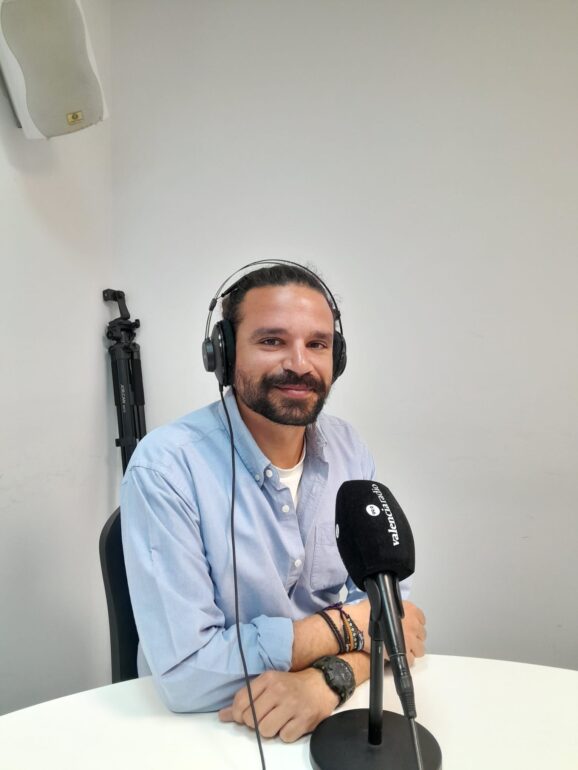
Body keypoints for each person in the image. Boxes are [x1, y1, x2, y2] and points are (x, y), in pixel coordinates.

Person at [120, 262, 426, 743]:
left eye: (318, 344)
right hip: (207, 730)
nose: (300, 364)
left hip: (328, 713)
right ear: (223, 354)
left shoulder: (349, 449)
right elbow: (186, 675)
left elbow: (399, 621)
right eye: (272, 341)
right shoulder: (165, 468)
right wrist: (347, 628)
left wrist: (328, 679)